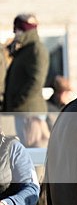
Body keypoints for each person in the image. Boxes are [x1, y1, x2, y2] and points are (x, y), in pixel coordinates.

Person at [3, 14, 50, 147]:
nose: (15, 33)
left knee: (35, 149)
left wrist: (20, 100)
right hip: (23, 112)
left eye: (17, 29)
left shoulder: (36, 49)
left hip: (31, 112)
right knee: (26, 150)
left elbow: (37, 80)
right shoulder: (24, 50)